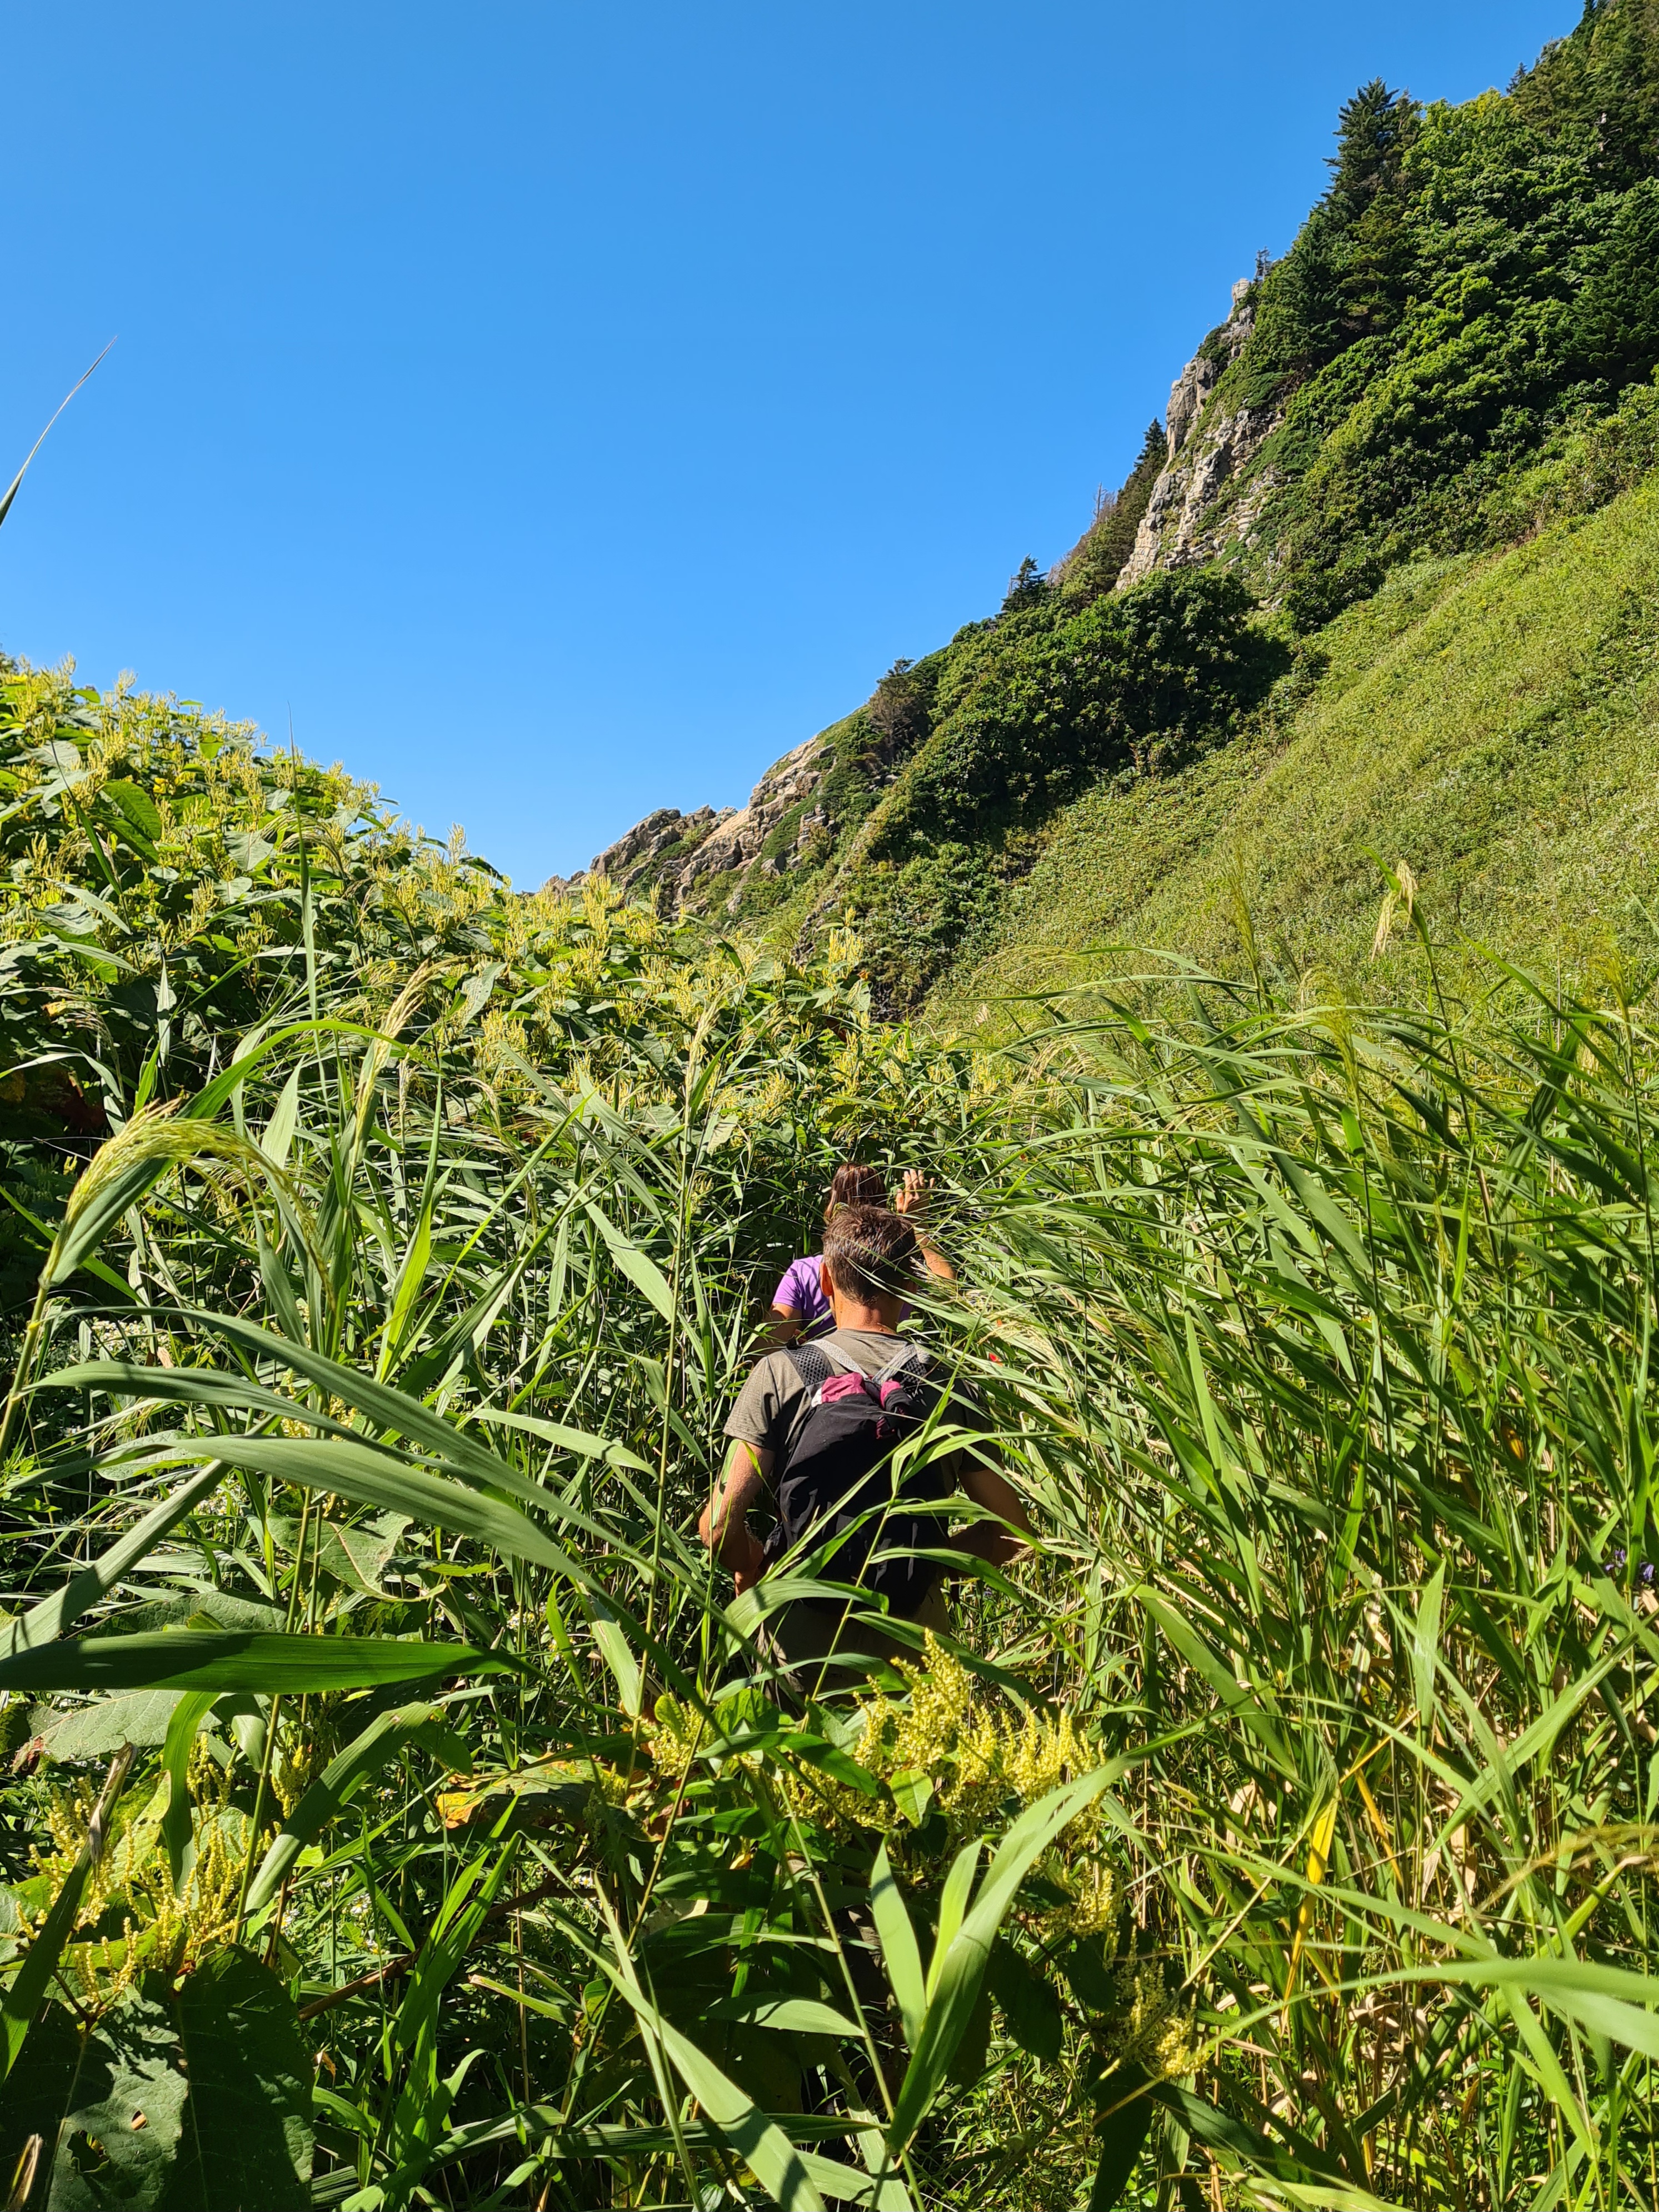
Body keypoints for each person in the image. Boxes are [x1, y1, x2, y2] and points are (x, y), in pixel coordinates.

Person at [703, 1202, 1028, 1696]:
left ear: (826, 1281)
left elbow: (718, 1525)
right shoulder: (948, 1384)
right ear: (912, 1284)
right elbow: (1013, 1535)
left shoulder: (781, 1373)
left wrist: (755, 1564)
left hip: (803, 1655)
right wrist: (926, 1562)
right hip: (916, 1658)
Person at [766, 1165, 955, 1347]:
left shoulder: (804, 1272)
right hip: (892, 1366)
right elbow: (950, 1297)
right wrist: (919, 1225)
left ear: (832, 1206)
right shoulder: (899, 1267)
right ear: (883, 1208)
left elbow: (766, 1347)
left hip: (822, 1367)